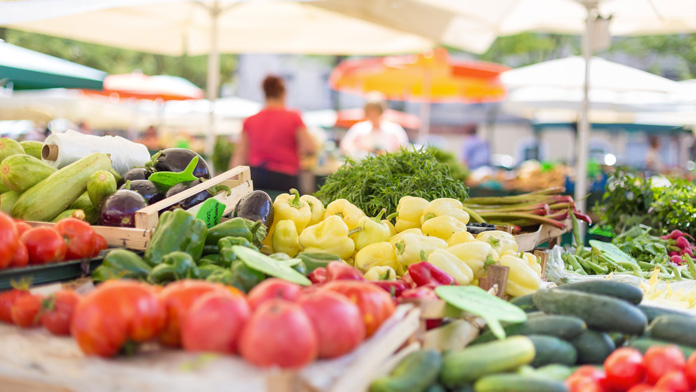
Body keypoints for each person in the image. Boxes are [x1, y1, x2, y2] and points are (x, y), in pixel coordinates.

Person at [230, 75, 316, 191]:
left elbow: (240, 155)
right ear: (283, 94)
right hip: (285, 178)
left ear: (265, 94)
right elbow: (310, 148)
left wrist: (231, 183)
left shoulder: (250, 120)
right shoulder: (293, 117)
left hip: (256, 176)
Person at [339, 93, 409, 158]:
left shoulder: (394, 130)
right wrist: (360, 149)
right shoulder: (359, 129)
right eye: (370, 113)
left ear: (381, 112)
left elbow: (403, 149)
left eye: (376, 113)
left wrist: (387, 153)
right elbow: (345, 146)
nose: (373, 116)